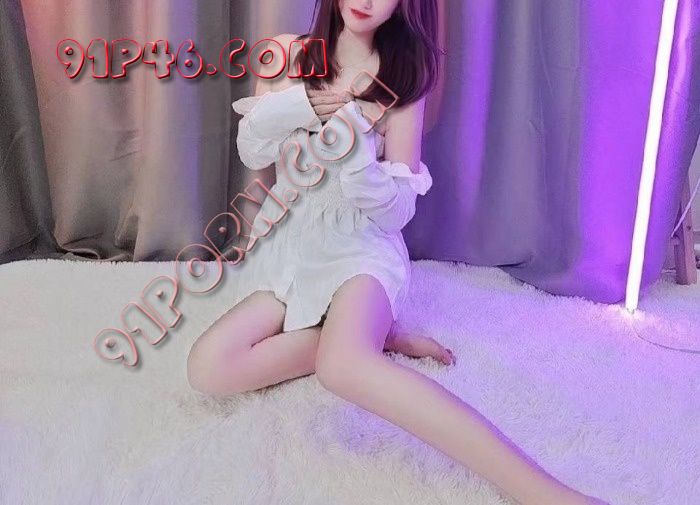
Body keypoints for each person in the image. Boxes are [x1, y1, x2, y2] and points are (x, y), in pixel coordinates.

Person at [187, 2, 609, 504]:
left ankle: (543, 492)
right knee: (208, 367)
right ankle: (370, 335)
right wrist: (306, 105)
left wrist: (358, 164)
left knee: (342, 367)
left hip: (359, 253)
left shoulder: (401, 84)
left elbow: (396, 213)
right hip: (290, 255)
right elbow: (253, 150)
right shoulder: (285, 53)